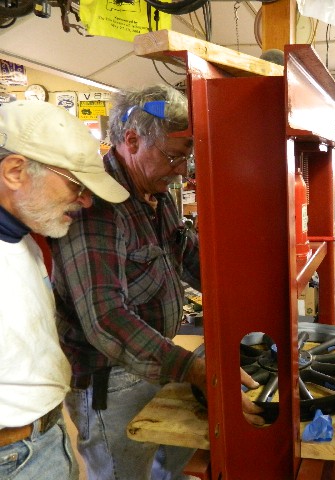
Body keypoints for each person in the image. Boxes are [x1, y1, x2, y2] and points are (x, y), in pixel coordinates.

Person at [49, 84, 263, 480]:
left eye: (187, 159)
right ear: (131, 140)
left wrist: (252, 285)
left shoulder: (154, 192)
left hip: (158, 361)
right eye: (174, 157)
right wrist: (191, 368)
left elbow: (187, 254)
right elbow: (106, 318)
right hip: (111, 381)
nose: (182, 170)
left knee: (171, 464)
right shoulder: (95, 208)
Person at [0, 100, 129, 479]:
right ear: (15, 171)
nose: (86, 202)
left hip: (40, 439)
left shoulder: (24, 239)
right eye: (76, 185)